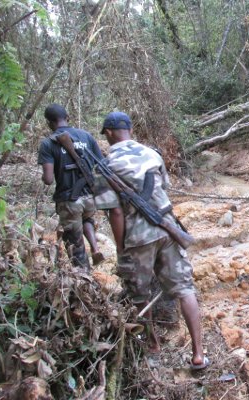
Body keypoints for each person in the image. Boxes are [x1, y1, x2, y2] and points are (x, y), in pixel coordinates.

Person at [95, 111, 208, 370]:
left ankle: (153, 345)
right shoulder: (152, 154)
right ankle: (199, 354)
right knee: (185, 289)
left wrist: (121, 246)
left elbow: (115, 211)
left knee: (139, 295)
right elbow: (163, 189)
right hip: (168, 229)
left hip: (137, 236)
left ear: (109, 133)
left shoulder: (106, 164)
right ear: (130, 130)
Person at [38, 103, 105, 270]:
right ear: (67, 117)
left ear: (49, 123)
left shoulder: (48, 143)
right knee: (88, 219)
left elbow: (48, 179)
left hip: (69, 201)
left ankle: (85, 281)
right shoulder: (86, 136)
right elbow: (102, 164)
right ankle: (95, 248)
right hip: (90, 197)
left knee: (76, 248)